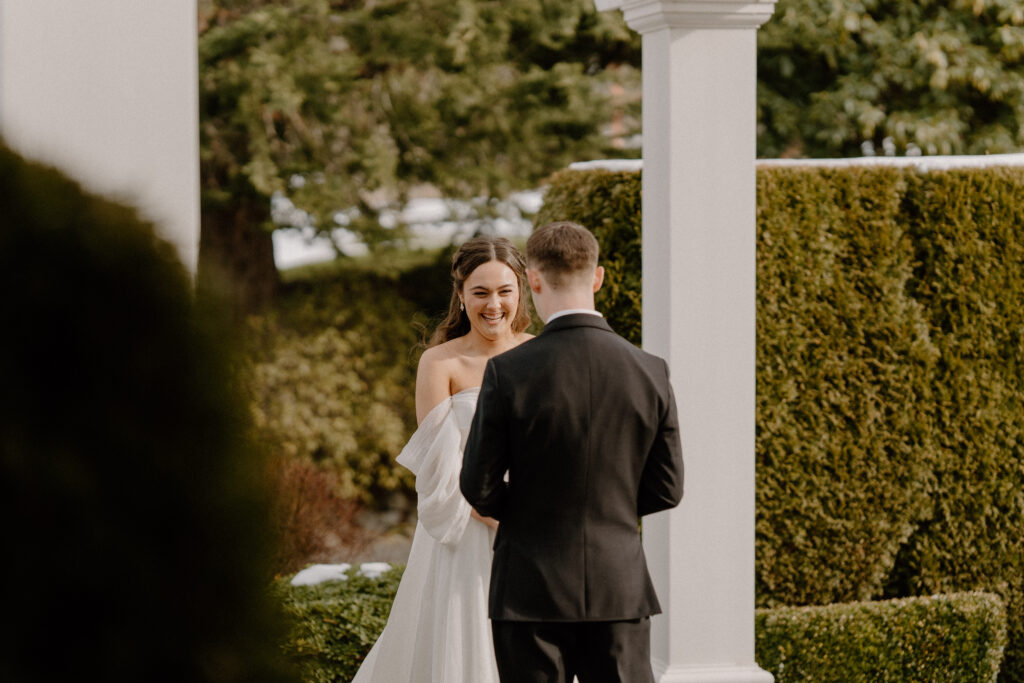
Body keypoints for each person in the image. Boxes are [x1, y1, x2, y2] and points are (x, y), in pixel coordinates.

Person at [460, 220, 685, 683]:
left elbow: (476, 485)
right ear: (598, 277)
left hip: (528, 587)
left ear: (534, 281)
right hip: (618, 586)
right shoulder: (651, 371)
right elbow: (668, 488)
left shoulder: (508, 372)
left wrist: (530, 515)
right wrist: (610, 508)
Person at [352, 235, 533, 683]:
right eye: (480, 292)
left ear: (521, 291)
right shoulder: (440, 363)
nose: (494, 304)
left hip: (534, 531)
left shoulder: (540, 354)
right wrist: (496, 515)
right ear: (461, 295)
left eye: (504, 291)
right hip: (464, 534)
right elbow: (437, 467)